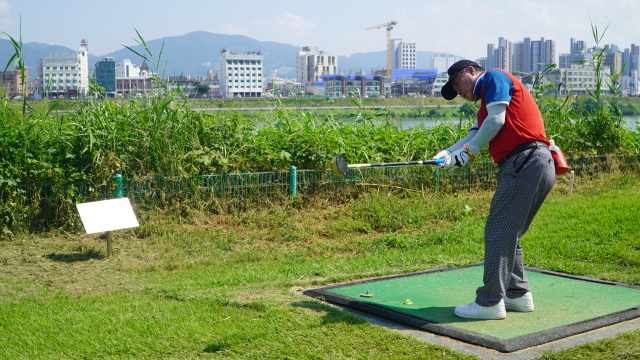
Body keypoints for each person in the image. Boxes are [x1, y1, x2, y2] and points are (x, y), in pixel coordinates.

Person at [433, 60, 556, 320]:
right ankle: (518, 295)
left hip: (525, 160)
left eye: (457, 82)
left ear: (471, 71)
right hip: (536, 163)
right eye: (454, 89)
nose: (458, 91)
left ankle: (489, 302)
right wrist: (448, 154)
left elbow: (497, 121)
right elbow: (476, 133)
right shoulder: (483, 108)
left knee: (499, 229)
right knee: (510, 231)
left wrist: (467, 153)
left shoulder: (493, 78)